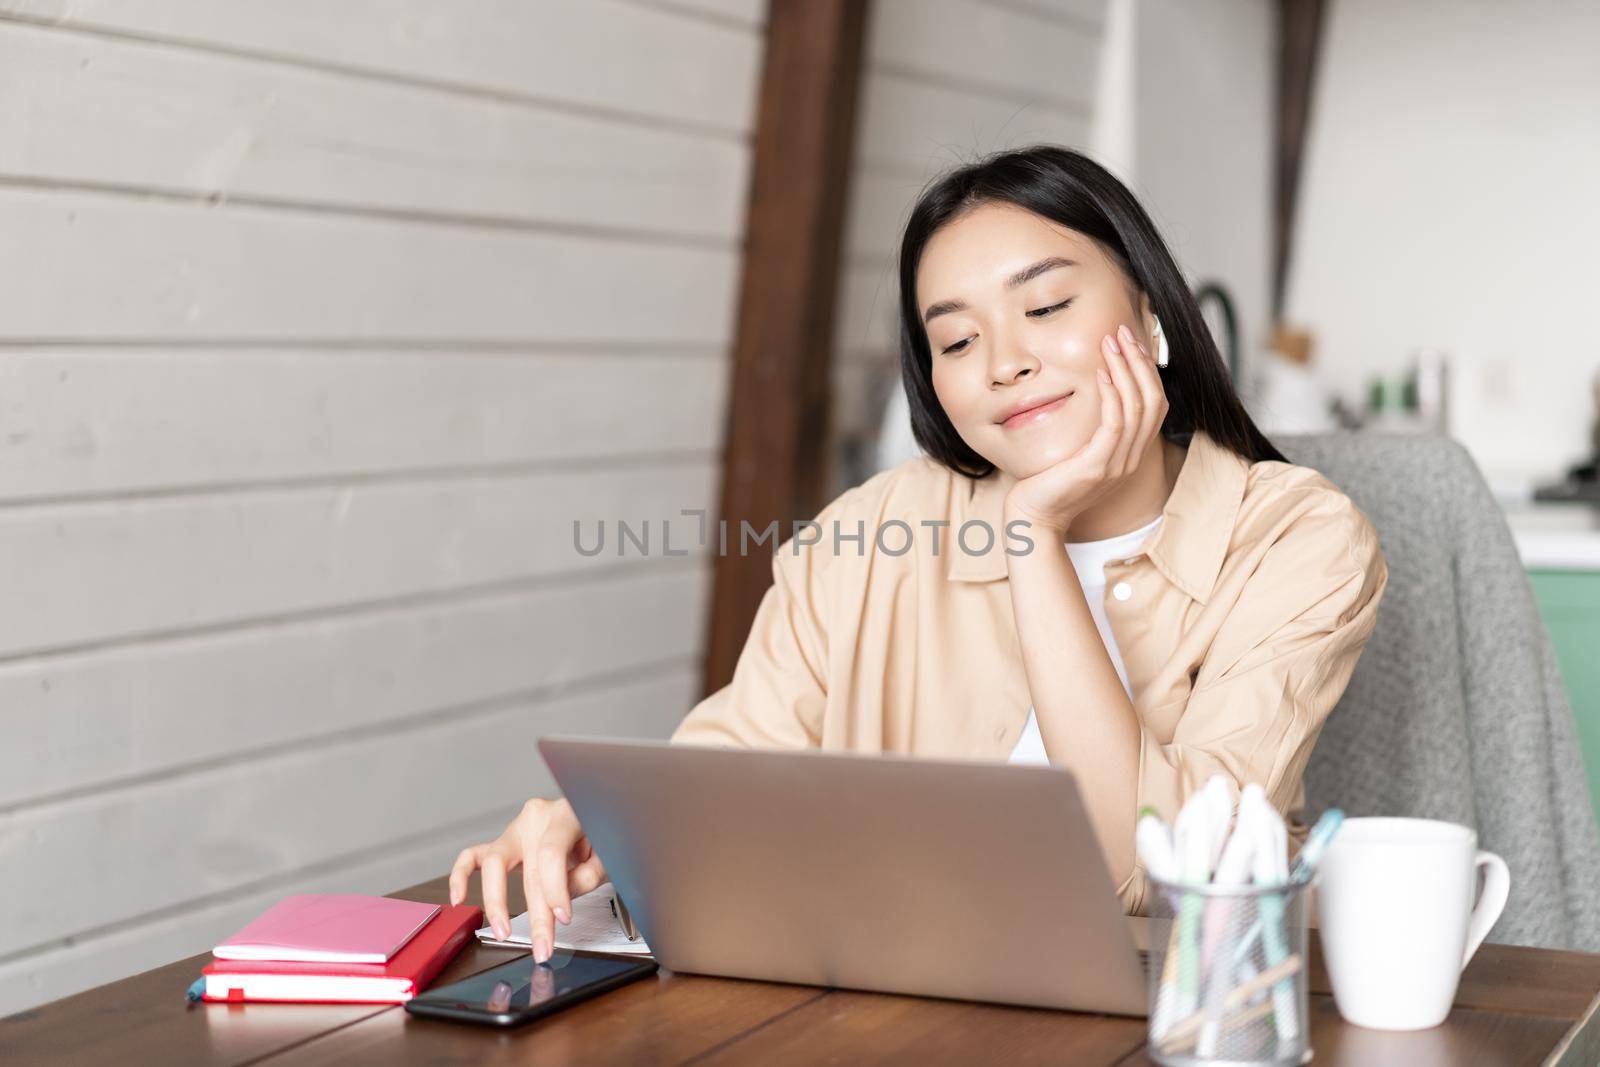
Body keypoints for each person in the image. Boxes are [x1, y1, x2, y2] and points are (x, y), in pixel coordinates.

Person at [448, 145, 1388, 964]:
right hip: (886, 1005)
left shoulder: (1296, 539)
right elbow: (728, 777)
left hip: (1174, 1016)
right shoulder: (867, 532)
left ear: (1150, 319)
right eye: (958, 338)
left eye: (1046, 304)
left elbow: (1150, 867)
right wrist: (606, 827)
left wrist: (1032, 538)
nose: (1003, 362)